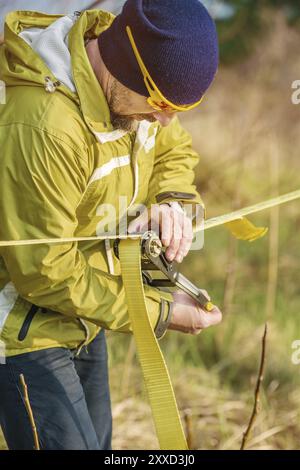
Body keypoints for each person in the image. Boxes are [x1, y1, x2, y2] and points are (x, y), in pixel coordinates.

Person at [0, 0, 222, 450]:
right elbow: (43, 270)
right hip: (23, 331)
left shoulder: (135, 98)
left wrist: (171, 203)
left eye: (182, 106)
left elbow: (172, 150)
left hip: (89, 313)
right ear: (125, 62)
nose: (165, 118)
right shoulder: (46, 127)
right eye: (161, 102)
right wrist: (157, 314)